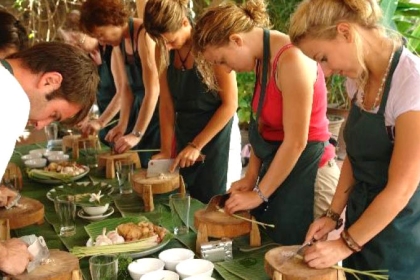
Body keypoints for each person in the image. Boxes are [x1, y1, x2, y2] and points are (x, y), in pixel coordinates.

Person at [289, 0, 420, 279]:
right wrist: (333, 216)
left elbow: (402, 188)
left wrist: (345, 243)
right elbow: (356, 156)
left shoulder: (412, 84)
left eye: (322, 57)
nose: (324, 71)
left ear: (345, 32)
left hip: (400, 233)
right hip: (361, 222)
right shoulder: (358, 78)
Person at [193, 0, 340, 244]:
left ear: (236, 40)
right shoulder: (262, 57)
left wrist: (259, 194)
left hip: (312, 175)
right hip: (281, 171)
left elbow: (296, 142)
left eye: (222, 60)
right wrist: (251, 177)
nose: (226, 69)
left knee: (299, 259)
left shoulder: (291, 59)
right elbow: (262, 128)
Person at [0, 42, 98, 275]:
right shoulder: (12, 99)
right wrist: (4, 255)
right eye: (54, 114)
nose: (40, 124)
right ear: (50, 81)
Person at [143, 0, 242, 203]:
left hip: (218, 135)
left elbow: (230, 104)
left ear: (184, 23)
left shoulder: (210, 46)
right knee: (186, 202)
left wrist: (197, 145)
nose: (167, 47)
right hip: (185, 133)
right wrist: (166, 150)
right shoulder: (162, 49)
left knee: (215, 204)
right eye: (162, 42)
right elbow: (167, 104)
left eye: (171, 41)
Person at [80, 0, 160, 167]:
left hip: (159, 112)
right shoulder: (119, 44)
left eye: (101, 34)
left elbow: (153, 90)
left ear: (112, 20)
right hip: (140, 110)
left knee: (156, 167)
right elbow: (125, 89)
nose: (101, 42)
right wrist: (122, 125)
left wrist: (136, 133)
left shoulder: (144, 35)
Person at [59, 10, 128, 146]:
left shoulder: (112, 50)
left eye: (78, 41)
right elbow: (91, 94)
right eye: (70, 43)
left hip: (125, 123)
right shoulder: (87, 57)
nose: (75, 47)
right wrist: (85, 115)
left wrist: (100, 121)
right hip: (106, 126)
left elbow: (123, 93)